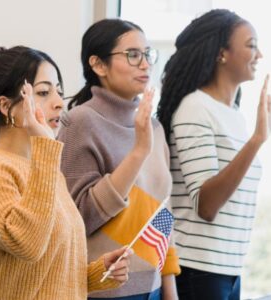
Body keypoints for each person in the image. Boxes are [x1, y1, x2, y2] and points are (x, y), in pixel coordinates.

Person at [0, 44, 133, 300]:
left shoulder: (48, 171)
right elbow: (27, 244)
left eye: (59, 92)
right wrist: (46, 149)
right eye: (43, 92)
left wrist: (99, 272)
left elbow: (46, 271)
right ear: (6, 106)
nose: (60, 103)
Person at [57, 19, 180, 300]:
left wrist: (169, 290)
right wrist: (138, 153)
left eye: (147, 54)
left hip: (153, 287)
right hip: (103, 290)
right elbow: (78, 218)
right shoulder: (80, 122)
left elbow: (163, 214)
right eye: (133, 55)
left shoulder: (154, 127)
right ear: (98, 65)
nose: (145, 64)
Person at [156, 9, 271, 300]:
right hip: (198, 269)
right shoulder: (195, 107)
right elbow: (206, 205)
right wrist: (257, 140)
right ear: (222, 53)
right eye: (251, 45)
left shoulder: (232, 114)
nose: (259, 55)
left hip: (227, 268)